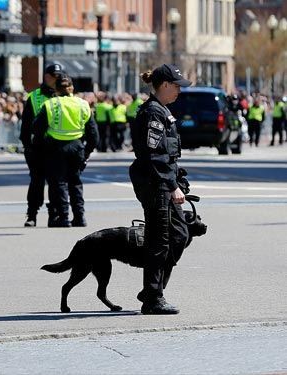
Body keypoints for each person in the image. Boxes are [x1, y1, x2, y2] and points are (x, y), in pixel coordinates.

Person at [129, 64, 191, 315]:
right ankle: (153, 298)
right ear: (164, 85)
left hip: (165, 183)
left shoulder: (162, 111)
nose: (179, 91)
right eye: (176, 86)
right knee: (159, 241)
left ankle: (152, 289)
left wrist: (178, 181)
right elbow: (154, 155)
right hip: (156, 186)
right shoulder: (153, 113)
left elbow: (168, 154)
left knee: (179, 235)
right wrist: (172, 185)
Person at [32, 73, 99, 227]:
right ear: (72, 88)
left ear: (56, 88)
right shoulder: (83, 104)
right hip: (76, 146)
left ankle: (63, 217)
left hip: (56, 146)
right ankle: (80, 217)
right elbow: (93, 132)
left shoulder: (50, 104)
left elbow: (37, 128)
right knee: (75, 182)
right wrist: (87, 151)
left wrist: (41, 145)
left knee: (59, 183)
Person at [19, 62, 64, 227]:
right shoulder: (34, 96)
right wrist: (27, 146)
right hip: (37, 147)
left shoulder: (64, 95)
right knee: (36, 182)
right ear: (46, 77)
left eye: (60, 76)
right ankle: (32, 214)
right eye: (55, 76)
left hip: (57, 147)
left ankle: (54, 214)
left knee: (55, 183)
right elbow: (26, 124)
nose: (58, 79)